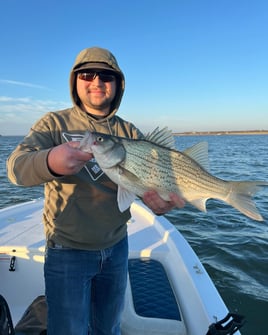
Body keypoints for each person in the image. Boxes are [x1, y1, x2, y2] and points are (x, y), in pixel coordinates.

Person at [7, 46, 185, 335]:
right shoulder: (53, 124)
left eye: (106, 76)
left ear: (118, 85)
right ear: (75, 82)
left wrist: (160, 201)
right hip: (66, 250)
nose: (97, 82)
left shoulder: (129, 132)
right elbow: (15, 168)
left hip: (117, 247)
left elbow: (147, 182)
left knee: (109, 328)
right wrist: (50, 160)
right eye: (87, 74)